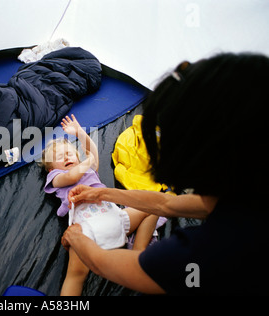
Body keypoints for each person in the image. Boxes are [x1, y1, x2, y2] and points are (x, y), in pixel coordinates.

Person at [62, 52, 269, 295]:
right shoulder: (245, 188)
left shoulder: (213, 251)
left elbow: (104, 264)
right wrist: (104, 194)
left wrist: (77, 239)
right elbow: (166, 204)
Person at [42, 114, 160, 296]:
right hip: (86, 231)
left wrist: (80, 133)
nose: (66, 156)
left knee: (152, 207)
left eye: (69, 153)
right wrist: (87, 161)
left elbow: (92, 151)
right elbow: (72, 175)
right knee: (75, 275)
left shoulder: (88, 168)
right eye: (59, 157)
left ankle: (138, 254)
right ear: (52, 169)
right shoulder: (56, 177)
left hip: (115, 217)